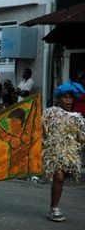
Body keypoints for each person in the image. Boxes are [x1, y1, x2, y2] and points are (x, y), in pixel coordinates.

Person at [43, 83, 84, 222]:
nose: (68, 100)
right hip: (53, 151)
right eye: (65, 97)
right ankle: (54, 209)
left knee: (61, 180)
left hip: (70, 155)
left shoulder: (77, 118)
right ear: (58, 99)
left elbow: (81, 138)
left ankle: (53, 207)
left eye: (70, 98)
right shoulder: (50, 113)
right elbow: (42, 129)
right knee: (59, 177)